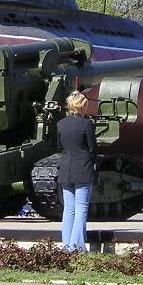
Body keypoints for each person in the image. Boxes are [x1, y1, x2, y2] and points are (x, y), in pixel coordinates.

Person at [56, 90, 97, 252]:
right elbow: (92, 148)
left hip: (65, 169)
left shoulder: (61, 124)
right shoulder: (87, 124)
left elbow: (59, 147)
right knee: (81, 208)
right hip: (83, 168)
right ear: (82, 107)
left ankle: (66, 245)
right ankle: (77, 246)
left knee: (69, 209)